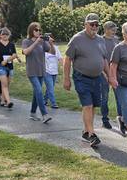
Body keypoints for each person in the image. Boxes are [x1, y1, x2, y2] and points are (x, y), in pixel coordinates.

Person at [64, 13, 106, 148]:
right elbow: (68, 59)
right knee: (87, 105)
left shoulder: (100, 40)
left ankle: (86, 130)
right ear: (85, 25)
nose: (94, 27)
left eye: (96, 24)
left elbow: (104, 59)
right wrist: (66, 78)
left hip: (97, 78)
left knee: (93, 106)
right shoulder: (77, 39)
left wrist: (110, 76)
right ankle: (92, 135)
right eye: (91, 24)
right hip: (81, 77)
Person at [21, 22, 52, 123]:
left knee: (36, 92)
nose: (38, 32)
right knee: (39, 91)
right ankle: (44, 114)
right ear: (31, 31)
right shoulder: (26, 41)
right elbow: (25, 52)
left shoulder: (42, 42)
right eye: (36, 30)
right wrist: (36, 42)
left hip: (41, 71)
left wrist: (50, 42)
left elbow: (52, 52)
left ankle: (32, 113)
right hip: (32, 71)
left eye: (40, 30)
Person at [98, 21, 119, 129]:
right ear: (106, 29)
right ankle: (105, 119)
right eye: (112, 29)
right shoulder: (100, 40)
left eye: (115, 29)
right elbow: (99, 58)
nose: (114, 31)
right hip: (104, 74)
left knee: (119, 96)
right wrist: (104, 73)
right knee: (104, 97)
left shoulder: (116, 40)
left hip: (115, 73)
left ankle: (121, 119)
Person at [43, 34, 62, 109]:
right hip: (46, 71)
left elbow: (60, 58)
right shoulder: (43, 48)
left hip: (55, 71)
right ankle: (53, 103)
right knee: (50, 88)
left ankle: (44, 100)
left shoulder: (56, 48)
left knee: (49, 88)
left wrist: (63, 66)